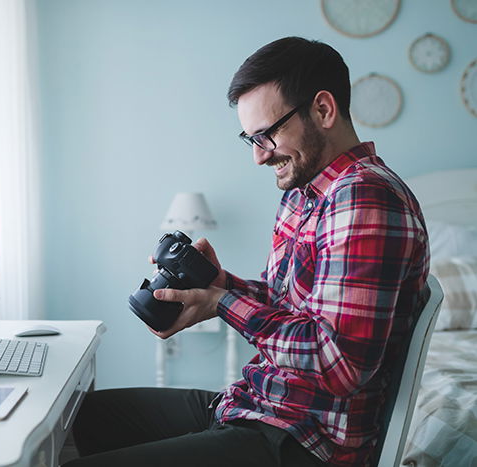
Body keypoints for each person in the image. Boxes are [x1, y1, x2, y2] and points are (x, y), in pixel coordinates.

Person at [64, 36, 430, 467]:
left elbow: (339, 365)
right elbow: (290, 308)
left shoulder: (365, 197)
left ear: (324, 109)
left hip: (306, 440)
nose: (259, 157)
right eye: (250, 138)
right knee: (85, 419)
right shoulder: (306, 193)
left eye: (268, 135)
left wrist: (222, 303)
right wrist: (221, 285)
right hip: (265, 404)